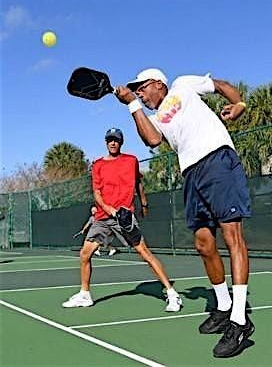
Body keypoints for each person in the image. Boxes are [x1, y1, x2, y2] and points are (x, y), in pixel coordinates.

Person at [115, 68, 255, 358]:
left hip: (218, 158)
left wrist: (239, 104)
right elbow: (153, 140)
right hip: (191, 174)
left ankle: (240, 320)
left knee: (232, 236)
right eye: (136, 90)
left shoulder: (182, 85)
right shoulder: (154, 118)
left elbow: (222, 85)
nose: (140, 92)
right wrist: (132, 104)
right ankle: (223, 306)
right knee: (203, 243)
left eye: (141, 88)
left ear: (157, 84)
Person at [62, 127, 182, 312]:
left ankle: (172, 294)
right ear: (106, 142)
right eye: (110, 139)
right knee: (85, 254)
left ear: (120, 142)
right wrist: (108, 209)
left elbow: (138, 183)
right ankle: (85, 295)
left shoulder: (131, 161)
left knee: (145, 253)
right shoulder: (98, 165)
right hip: (103, 217)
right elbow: (97, 193)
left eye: (116, 140)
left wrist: (144, 203)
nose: (113, 142)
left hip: (124, 218)